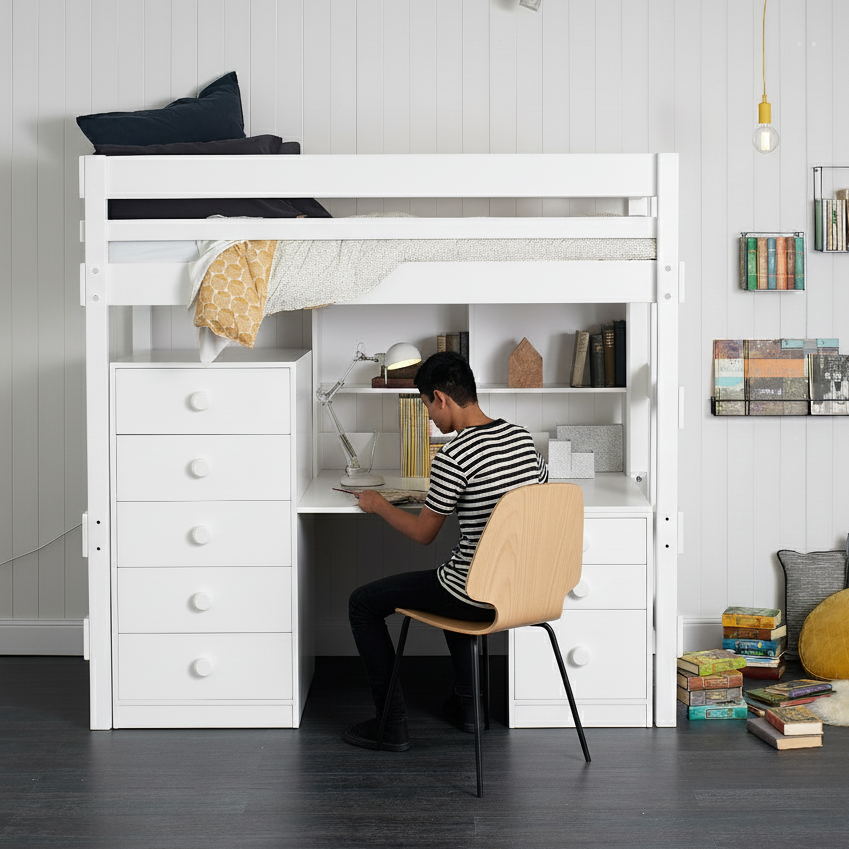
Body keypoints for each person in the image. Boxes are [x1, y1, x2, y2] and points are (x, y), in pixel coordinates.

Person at [344, 350, 548, 752]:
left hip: (474, 594)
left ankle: (390, 724)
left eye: (426, 407)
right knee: (454, 576)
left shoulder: (453, 455)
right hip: (524, 588)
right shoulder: (522, 438)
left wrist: (378, 504)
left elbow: (424, 533)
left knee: (363, 604)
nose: (430, 418)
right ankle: (470, 706)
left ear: (440, 398)